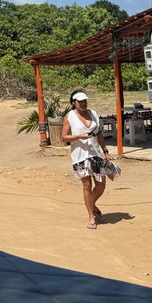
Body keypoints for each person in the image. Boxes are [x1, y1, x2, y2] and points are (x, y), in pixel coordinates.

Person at [61, 89, 112, 230]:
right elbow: (64, 137)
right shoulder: (69, 116)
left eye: (85, 101)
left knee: (101, 184)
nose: (83, 104)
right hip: (80, 155)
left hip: (95, 154)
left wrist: (105, 151)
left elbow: (99, 133)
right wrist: (78, 137)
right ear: (74, 103)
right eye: (80, 101)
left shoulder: (93, 114)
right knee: (87, 186)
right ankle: (91, 216)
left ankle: (92, 204)